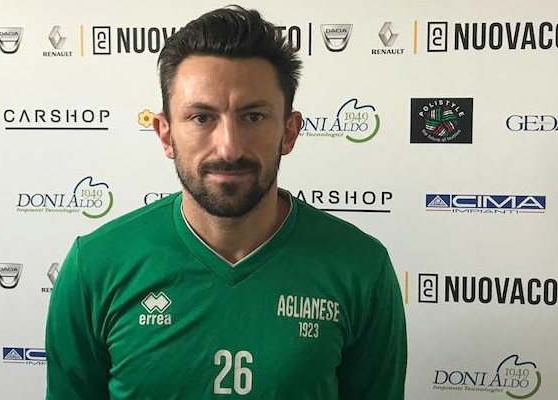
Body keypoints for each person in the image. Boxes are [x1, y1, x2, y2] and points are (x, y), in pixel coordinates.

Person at [45, 5, 406, 400]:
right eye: (202, 118)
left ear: (289, 132)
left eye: (253, 117)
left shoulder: (361, 268)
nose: (229, 148)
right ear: (165, 134)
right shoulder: (95, 266)